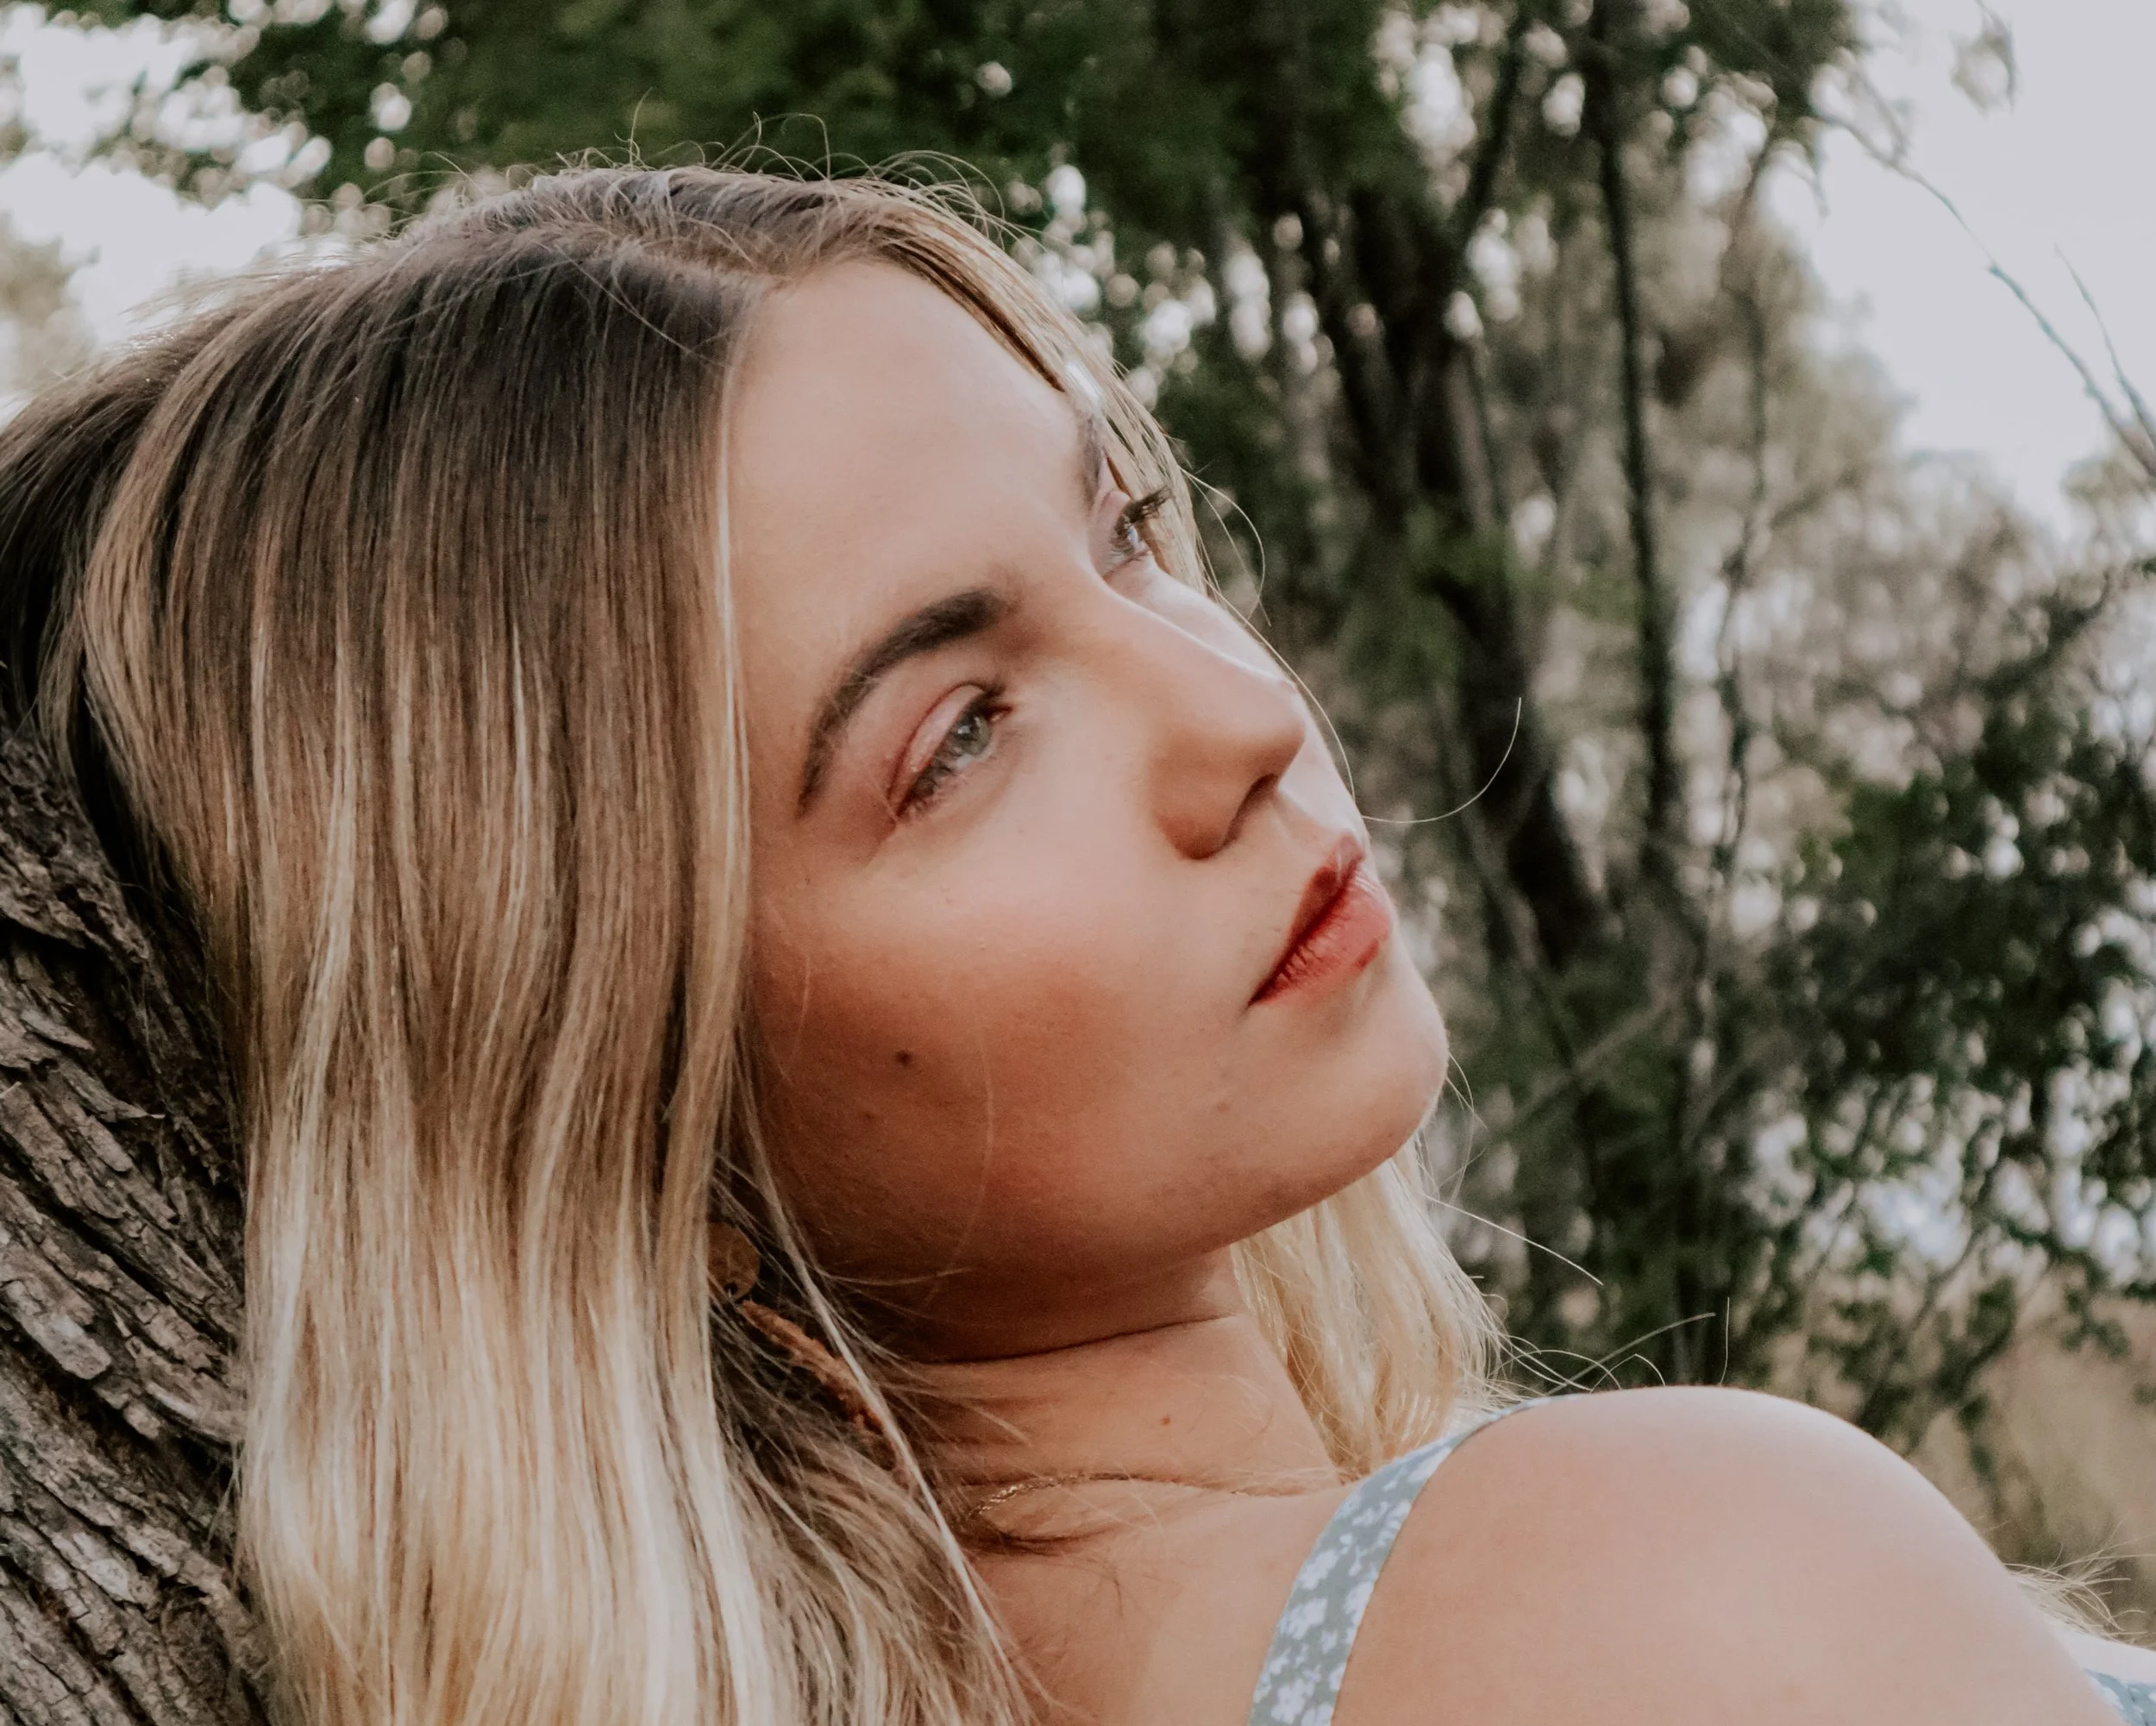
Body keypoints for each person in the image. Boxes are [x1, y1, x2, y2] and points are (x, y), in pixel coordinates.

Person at [0, 166, 2147, 1726]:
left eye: (1124, 532)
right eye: (956, 740)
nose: (1240, 718)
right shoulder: (1661, 1596)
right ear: (636, 1132)